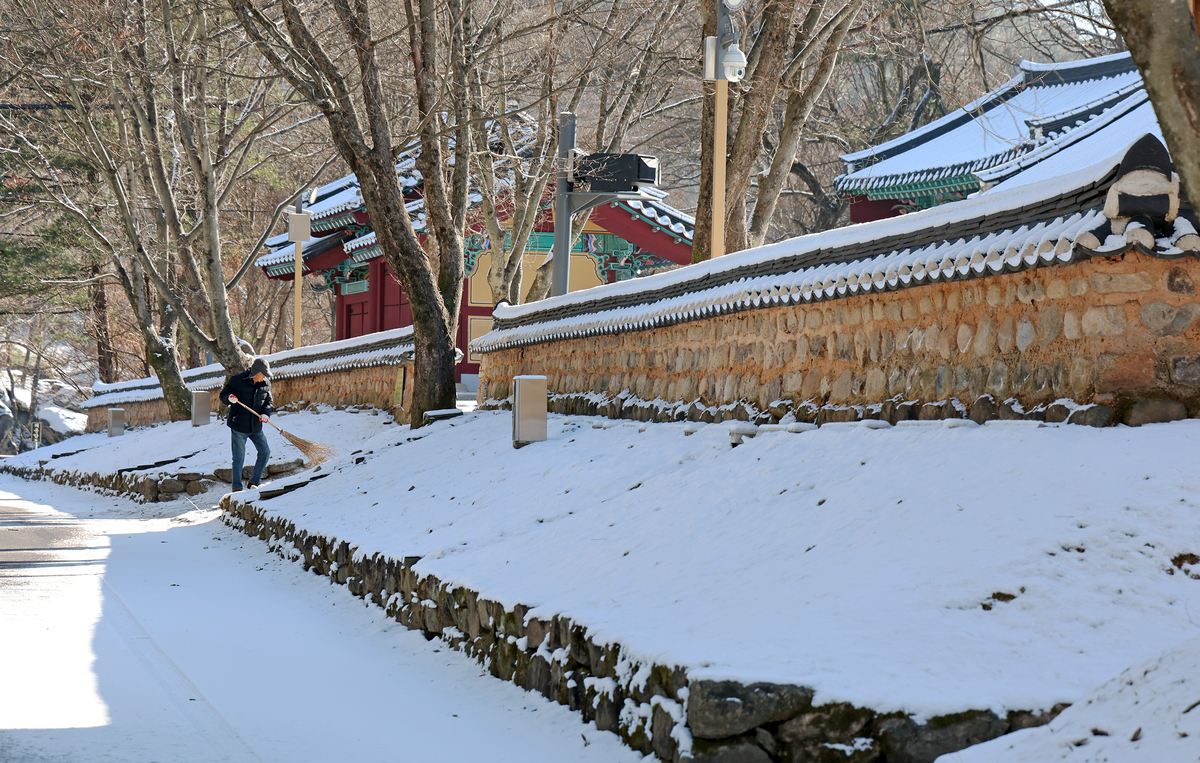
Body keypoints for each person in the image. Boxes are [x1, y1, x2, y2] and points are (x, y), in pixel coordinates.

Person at [219, 357, 273, 491]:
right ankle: (237, 487)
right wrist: (229, 399)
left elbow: (268, 402)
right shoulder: (238, 380)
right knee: (238, 457)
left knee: (265, 452)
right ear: (255, 372)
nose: (264, 377)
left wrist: (266, 413)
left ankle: (254, 482)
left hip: (256, 427)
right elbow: (223, 395)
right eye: (263, 374)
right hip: (239, 426)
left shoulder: (266, 384)